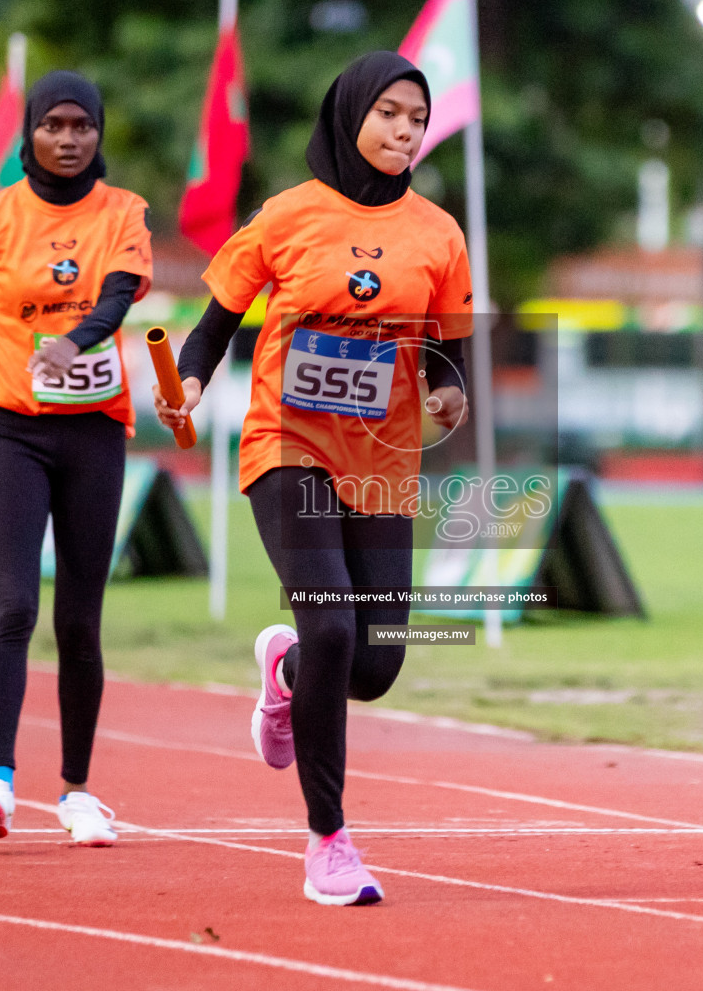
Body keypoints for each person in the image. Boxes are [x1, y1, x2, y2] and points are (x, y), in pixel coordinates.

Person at [158, 51, 472, 905]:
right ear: (350, 115)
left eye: (417, 118)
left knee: (374, 667)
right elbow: (217, 322)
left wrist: (448, 393)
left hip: (383, 464)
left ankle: (286, 674)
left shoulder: (439, 232)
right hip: (286, 448)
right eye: (389, 114)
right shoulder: (286, 216)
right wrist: (187, 383)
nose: (405, 131)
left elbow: (449, 348)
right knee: (334, 629)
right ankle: (329, 843)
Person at [0, 70, 153, 848]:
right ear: (29, 133)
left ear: (98, 133)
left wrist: (73, 341)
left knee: (79, 615)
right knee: (13, 605)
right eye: (53, 126)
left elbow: (115, 296)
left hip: (93, 433)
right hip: (12, 431)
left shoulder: (124, 212)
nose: (69, 140)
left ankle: (76, 790)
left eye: (82, 126)